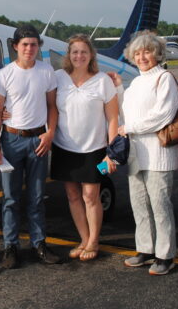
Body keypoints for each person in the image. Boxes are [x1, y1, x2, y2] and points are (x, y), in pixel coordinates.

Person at [0, 25, 61, 269]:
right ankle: (10, 246)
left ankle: (39, 243)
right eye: (25, 44)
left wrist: (50, 134)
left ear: (38, 46)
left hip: (38, 141)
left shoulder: (47, 71)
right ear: (15, 46)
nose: (30, 49)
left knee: (37, 197)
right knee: (10, 198)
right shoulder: (4, 74)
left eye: (34, 44)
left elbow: (52, 106)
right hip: (11, 141)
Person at [116, 31, 178, 275]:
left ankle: (166, 255)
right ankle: (145, 248)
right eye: (137, 53)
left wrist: (130, 128)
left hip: (158, 153)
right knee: (139, 204)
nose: (142, 57)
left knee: (160, 205)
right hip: (136, 153)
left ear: (157, 53)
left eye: (147, 52)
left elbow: (162, 116)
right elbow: (125, 114)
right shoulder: (134, 84)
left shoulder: (163, 78)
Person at [50, 34, 119, 262]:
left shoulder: (102, 81)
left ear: (91, 56)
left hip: (95, 149)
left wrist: (112, 152)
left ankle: (94, 241)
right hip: (64, 147)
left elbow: (112, 118)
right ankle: (84, 238)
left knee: (91, 195)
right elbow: (40, 102)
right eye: (75, 52)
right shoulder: (58, 77)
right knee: (72, 195)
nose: (79, 56)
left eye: (84, 52)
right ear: (69, 55)